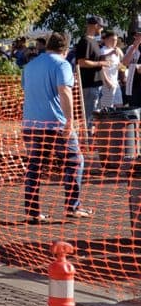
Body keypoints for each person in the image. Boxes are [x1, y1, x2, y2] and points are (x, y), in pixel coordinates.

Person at [22, 32, 90, 222]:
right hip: (54, 124)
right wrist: (70, 120)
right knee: (75, 161)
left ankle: (32, 212)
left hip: (30, 124)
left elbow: (27, 91)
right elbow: (64, 92)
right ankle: (72, 206)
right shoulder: (62, 64)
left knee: (34, 167)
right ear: (66, 49)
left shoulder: (30, 66)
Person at [75, 14, 109, 131]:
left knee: (94, 114)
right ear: (95, 25)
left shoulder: (93, 41)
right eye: (101, 26)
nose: (102, 29)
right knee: (89, 114)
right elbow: (82, 62)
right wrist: (101, 64)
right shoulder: (85, 41)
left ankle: (91, 139)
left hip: (96, 84)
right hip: (89, 85)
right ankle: (87, 140)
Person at [98, 30, 123, 108]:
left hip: (116, 82)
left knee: (119, 105)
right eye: (112, 40)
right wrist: (107, 81)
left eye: (115, 40)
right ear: (106, 40)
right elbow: (100, 67)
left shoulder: (117, 51)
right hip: (106, 84)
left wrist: (123, 76)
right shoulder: (102, 50)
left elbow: (120, 65)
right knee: (107, 107)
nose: (114, 42)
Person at [122, 30, 141, 107]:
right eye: (135, 36)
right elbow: (124, 63)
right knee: (134, 109)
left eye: (139, 35)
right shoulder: (131, 47)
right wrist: (134, 47)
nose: (137, 37)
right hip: (133, 85)